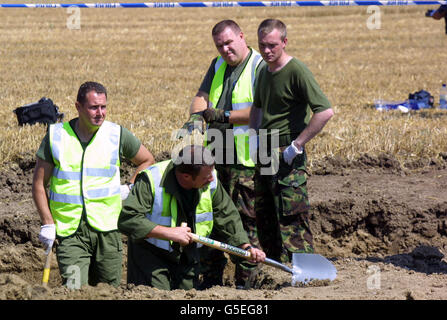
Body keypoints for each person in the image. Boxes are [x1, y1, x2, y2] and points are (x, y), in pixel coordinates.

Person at [32, 81, 155, 288]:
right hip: (71, 233)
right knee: (75, 289)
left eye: (104, 107)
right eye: (94, 107)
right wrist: (47, 223)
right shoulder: (56, 137)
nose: (100, 113)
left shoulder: (116, 135)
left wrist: (130, 187)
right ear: (78, 107)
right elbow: (38, 185)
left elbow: (147, 160)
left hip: (108, 230)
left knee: (109, 291)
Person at [177, 20, 266, 289]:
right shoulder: (217, 65)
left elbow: (261, 111)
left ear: (242, 37)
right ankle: (210, 284)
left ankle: (245, 288)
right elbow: (201, 96)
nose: (225, 49)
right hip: (216, 160)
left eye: (229, 43)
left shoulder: (259, 67)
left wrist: (222, 116)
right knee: (212, 219)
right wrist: (195, 116)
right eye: (219, 45)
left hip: (246, 163)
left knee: (244, 223)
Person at [118, 145, 266, 290]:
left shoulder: (210, 178)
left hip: (188, 255)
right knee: (157, 293)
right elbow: (128, 219)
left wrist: (245, 246)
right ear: (186, 176)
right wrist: (169, 233)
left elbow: (227, 215)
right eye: (206, 177)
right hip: (151, 254)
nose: (211, 179)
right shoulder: (152, 179)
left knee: (187, 295)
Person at [249, 19, 334, 264]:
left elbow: (324, 111)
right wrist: (254, 136)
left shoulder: (296, 71)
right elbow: (257, 106)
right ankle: (275, 268)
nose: (266, 51)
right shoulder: (263, 71)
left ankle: (306, 271)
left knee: (292, 216)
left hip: (286, 154)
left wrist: (297, 145)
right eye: (262, 45)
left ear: (284, 42)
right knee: (265, 214)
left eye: (272, 45)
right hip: (265, 150)